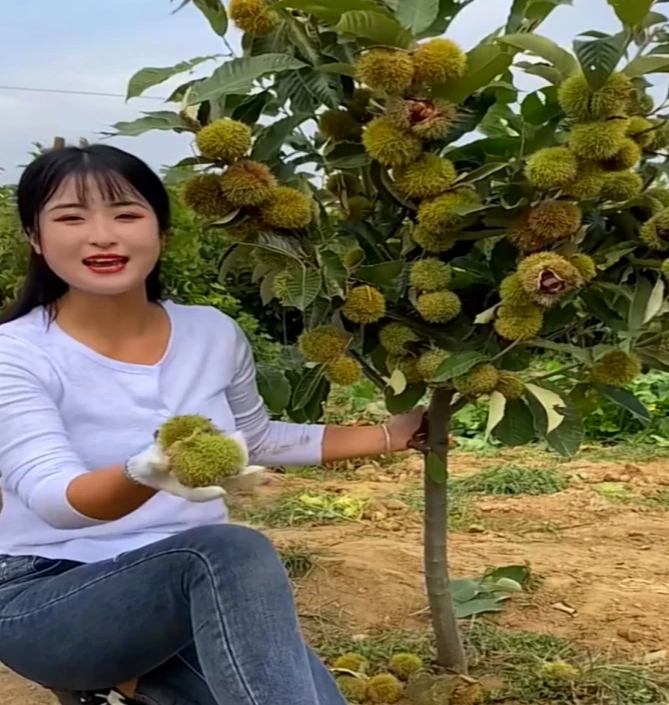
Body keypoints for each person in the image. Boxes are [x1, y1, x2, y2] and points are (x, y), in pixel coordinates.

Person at [0, 145, 426, 705]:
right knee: (229, 549)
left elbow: (255, 439)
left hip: (200, 591)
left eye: (126, 214)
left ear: (162, 231)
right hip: (49, 594)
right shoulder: (17, 353)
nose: (102, 235)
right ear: (35, 236)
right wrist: (146, 471)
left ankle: (135, 680)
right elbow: (55, 499)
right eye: (71, 217)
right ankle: (114, 674)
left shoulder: (211, 332)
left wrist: (389, 436)